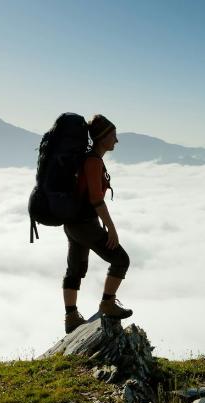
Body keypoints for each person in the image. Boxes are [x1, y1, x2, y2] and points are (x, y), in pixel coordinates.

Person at [62, 114, 132, 334]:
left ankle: (71, 317)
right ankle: (107, 303)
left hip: (73, 223)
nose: (116, 140)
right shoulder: (92, 161)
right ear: (103, 138)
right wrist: (111, 229)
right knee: (121, 259)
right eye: (113, 136)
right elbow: (96, 199)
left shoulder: (87, 159)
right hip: (84, 223)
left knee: (74, 270)